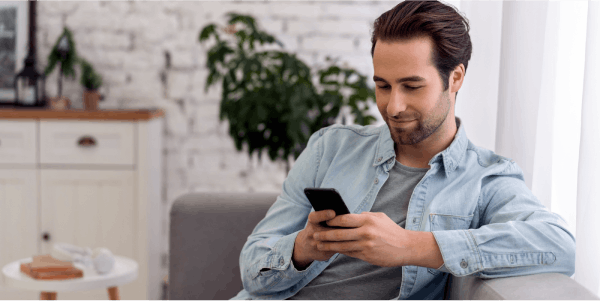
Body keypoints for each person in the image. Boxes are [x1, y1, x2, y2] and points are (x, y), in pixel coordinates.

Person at [230, 0, 576, 300]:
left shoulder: (486, 178)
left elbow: (558, 244)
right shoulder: (330, 147)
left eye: (412, 86)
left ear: (455, 78)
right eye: (382, 86)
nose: (394, 106)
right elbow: (251, 268)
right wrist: (304, 248)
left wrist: (413, 246)